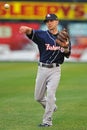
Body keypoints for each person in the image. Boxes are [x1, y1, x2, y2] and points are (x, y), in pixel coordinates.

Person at [19, 13, 71, 127]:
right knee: (38, 97)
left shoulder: (64, 36)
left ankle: (47, 121)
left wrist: (66, 47)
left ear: (57, 21)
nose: (49, 23)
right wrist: (26, 29)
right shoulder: (42, 35)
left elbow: (67, 54)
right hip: (42, 69)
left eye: (51, 20)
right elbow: (31, 32)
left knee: (51, 94)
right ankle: (52, 106)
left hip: (55, 70)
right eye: (47, 21)